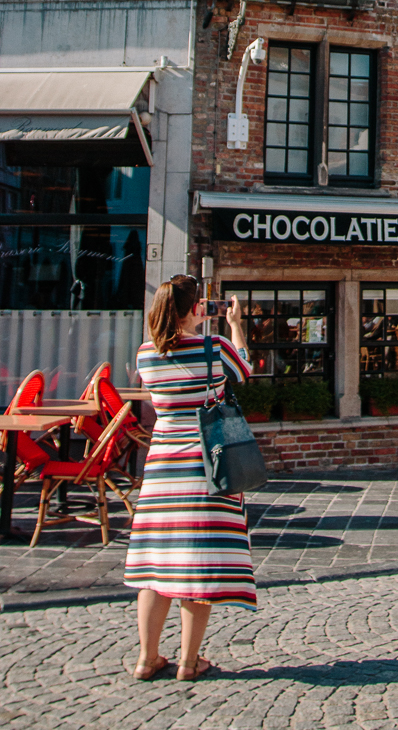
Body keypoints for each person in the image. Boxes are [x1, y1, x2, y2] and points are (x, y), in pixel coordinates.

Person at [124, 276, 255, 682]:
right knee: (198, 563)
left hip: (162, 467)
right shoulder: (213, 349)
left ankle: (147, 658)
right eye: (200, 303)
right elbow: (246, 370)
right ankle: (188, 661)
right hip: (207, 466)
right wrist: (235, 325)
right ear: (194, 307)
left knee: (155, 566)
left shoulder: (146, 355)